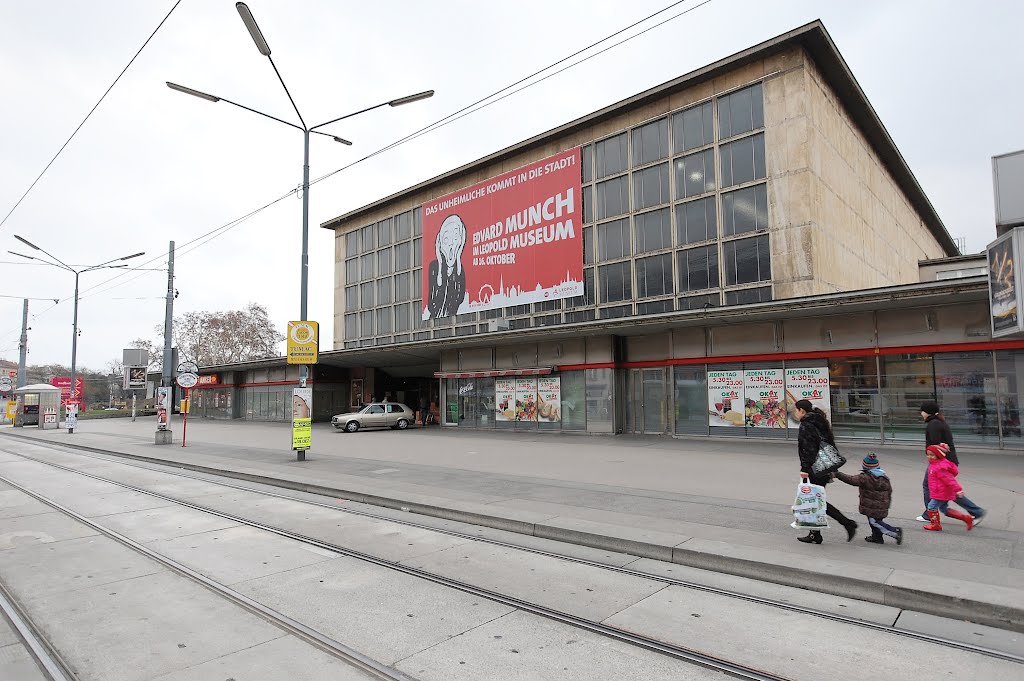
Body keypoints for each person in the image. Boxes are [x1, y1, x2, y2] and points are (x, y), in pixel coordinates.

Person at [794, 399, 857, 543]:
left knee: (816, 500)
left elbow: (808, 449)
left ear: (801, 410)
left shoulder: (806, 425)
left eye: (796, 410)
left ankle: (848, 523)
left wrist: (804, 469)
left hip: (814, 468)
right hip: (824, 467)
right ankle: (815, 534)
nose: (795, 414)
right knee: (815, 500)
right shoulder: (820, 422)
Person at [917, 401, 986, 524]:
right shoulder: (938, 422)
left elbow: (935, 446)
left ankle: (930, 513)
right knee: (945, 489)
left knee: (933, 487)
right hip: (945, 461)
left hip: (941, 462)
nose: (921, 413)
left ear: (927, 412)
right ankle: (975, 511)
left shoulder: (934, 424)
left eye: (922, 411)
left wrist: (933, 459)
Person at [834, 454, 902, 545]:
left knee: (874, 522)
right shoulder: (884, 477)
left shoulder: (865, 477)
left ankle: (895, 532)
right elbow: (890, 490)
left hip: (872, 506)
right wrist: (887, 503)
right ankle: (877, 537)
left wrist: (838, 474)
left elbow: (851, 480)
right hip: (882, 505)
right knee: (876, 522)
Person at [922, 443, 974, 531]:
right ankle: (966, 518)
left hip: (940, 492)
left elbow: (949, 479)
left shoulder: (939, 467)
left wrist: (958, 489)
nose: (929, 457)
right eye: (928, 455)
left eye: (932, 455)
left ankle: (935, 525)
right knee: (944, 509)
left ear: (938, 455)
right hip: (940, 491)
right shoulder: (936, 464)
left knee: (931, 507)